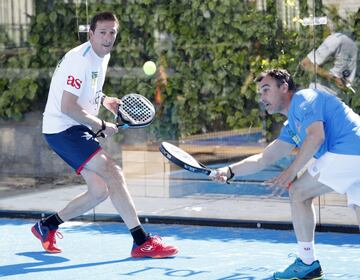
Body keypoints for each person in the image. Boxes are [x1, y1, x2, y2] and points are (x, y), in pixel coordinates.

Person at [31, 11, 178, 258]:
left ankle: (47, 226)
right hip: (63, 129)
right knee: (114, 173)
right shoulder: (79, 60)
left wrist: (104, 100)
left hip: (73, 127)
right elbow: (67, 106)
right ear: (91, 34)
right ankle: (141, 241)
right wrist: (100, 123)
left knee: (100, 190)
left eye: (112, 32)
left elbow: (87, 90)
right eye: (102, 32)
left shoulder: (102, 55)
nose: (108, 37)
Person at [211, 69, 360, 279]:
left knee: (298, 192)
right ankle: (308, 263)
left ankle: (307, 262)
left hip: (350, 151)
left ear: (284, 87)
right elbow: (264, 158)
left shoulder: (304, 98)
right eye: (260, 92)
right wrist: (229, 171)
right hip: (355, 155)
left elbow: (316, 136)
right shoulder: (292, 126)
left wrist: (291, 172)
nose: (262, 97)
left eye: (266, 89)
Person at [300, 31, 358, 97]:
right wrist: (332, 77)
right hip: (326, 96)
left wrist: (333, 77)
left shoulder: (336, 39)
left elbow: (305, 63)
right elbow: (305, 64)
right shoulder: (353, 46)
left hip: (324, 96)